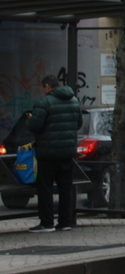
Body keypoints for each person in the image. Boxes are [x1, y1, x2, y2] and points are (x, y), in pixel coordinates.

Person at [25, 74, 82, 232]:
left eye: (43, 88)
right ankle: (65, 222)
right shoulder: (74, 100)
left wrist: (30, 119)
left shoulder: (44, 103)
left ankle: (47, 222)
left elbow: (35, 126)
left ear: (47, 87)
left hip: (48, 153)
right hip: (67, 153)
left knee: (45, 188)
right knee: (65, 188)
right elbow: (78, 124)